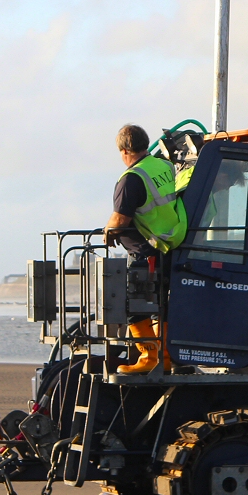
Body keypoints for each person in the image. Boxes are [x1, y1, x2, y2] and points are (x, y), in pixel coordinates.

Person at [103, 123, 187, 374]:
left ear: (125, 150)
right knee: (162, 303)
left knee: (133, 305)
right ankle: (166, 355)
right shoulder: (164, 166)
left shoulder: (132, 178)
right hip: (170, 243)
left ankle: (150, 357)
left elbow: (120, 220)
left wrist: (108, 231)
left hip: (147, 250)